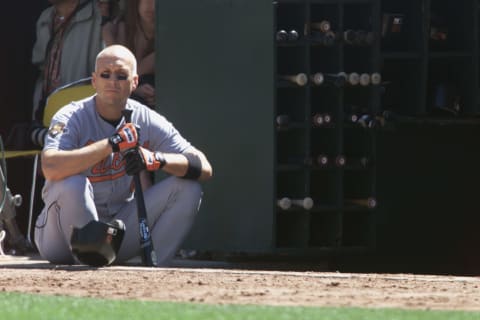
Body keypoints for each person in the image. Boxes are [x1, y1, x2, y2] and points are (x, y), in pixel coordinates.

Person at [34, 45, 213, 266]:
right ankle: (91, 258)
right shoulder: (72, 115)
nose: (112, 81)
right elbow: (50, 166)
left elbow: (203, 167)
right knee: (73, 183)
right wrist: (112, 143)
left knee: (188, 187)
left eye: (121, 75)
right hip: (62, 237)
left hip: (115, 234)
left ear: (134, 82)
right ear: (94, 81)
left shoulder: (145, 118)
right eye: (105, 75)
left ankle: (152, 272)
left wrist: (157, 160)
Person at [30, 0, 118, 146]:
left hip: (85, 121)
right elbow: (41, 68)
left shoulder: (101, 12)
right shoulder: (45, 18)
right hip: (48, 117)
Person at [102, 0, 155, 108]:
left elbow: (131, 72)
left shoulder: (169, 33)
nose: (151, 5)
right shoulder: (124, 28)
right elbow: (119, 71)